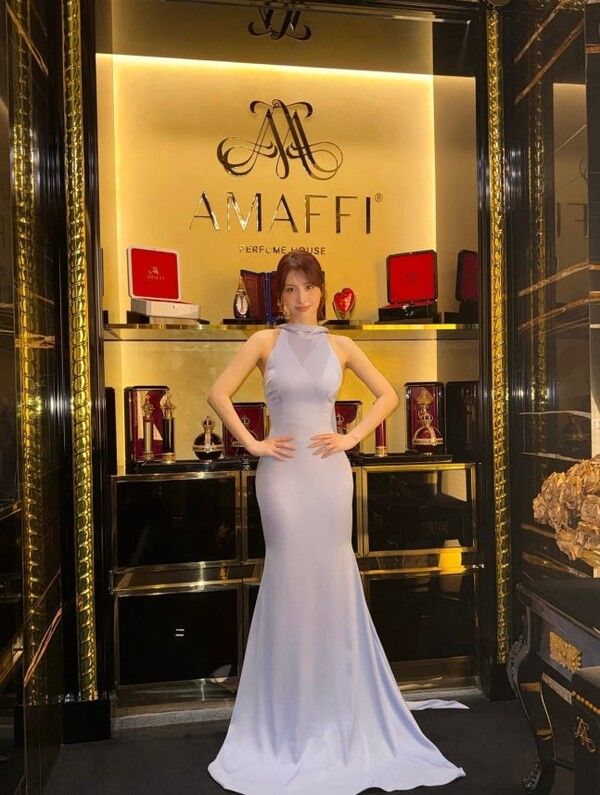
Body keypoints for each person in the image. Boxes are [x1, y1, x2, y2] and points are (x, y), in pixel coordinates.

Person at [206, 252, 466, 794]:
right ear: (279, 297)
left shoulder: (342, 346)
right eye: (290, 289)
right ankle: (287, 716)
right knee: (288, 582)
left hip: (328, 476)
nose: (300, 298)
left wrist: (351, 437)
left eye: (308, 287)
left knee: (331, 580)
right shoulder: (264, 341)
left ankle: (335, 711)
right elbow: (217, 393)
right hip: (281, 477)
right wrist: (254, 443)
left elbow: (388, 395)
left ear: (322, 292)